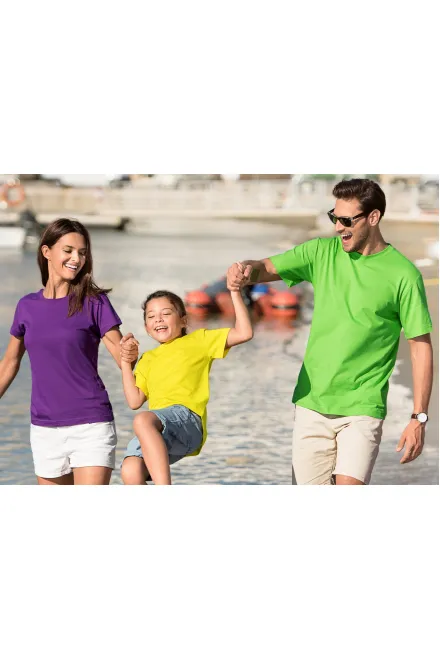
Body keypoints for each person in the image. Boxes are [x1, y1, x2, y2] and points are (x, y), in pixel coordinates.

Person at [227, 178, 433, 485]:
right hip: (311, 403)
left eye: (346, 220)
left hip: (362, 407)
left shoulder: (404, 274)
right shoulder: (319, 253)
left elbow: (420, 346)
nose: (338, 227)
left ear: (373, 217)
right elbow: (265, 268)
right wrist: (244, 269)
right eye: (334, 217)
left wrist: (418, 417)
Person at [0, 218, 138, 485]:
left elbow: (122, 356)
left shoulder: (94, 302)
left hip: (90, 425)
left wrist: (130, 353)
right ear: (46, 251)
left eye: (82, 252)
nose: (77, 258)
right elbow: (9, 363)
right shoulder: (26, 306)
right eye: (69, 250)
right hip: (44, 429)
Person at [120, 288, 253, 485]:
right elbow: (134, 401)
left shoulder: (199, 340)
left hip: (187, 420)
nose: (158, 319)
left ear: (183, 321)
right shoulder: (147, 359)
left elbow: (244, 332)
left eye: (166, 313)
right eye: (151, 316)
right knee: (130, 469)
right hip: (159, 428)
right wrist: (125, 362)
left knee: (142, 420)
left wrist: (234, 292)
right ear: (147, 328)